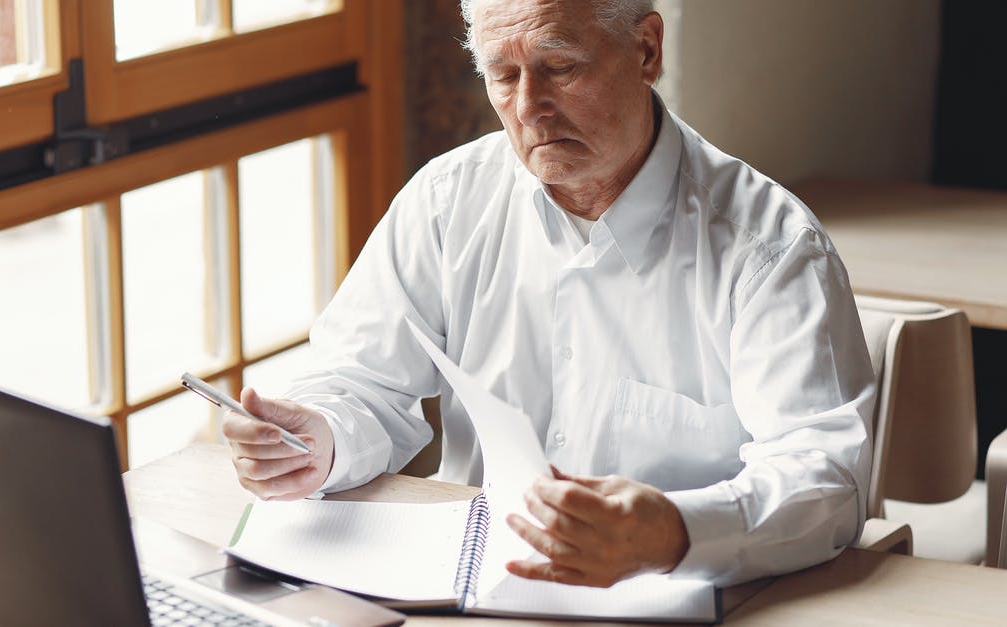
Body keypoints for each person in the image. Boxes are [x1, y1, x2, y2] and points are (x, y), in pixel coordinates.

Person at [222, 0, 874, 589]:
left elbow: (825, 476)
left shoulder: (770, 247)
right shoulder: (449, 204)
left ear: (647, 51)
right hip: (470, 592)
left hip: (683, 598)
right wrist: (318, 439)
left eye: (559, 66)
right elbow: (361, 380)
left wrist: (674, 530)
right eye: (503, 75)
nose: (530, 106)